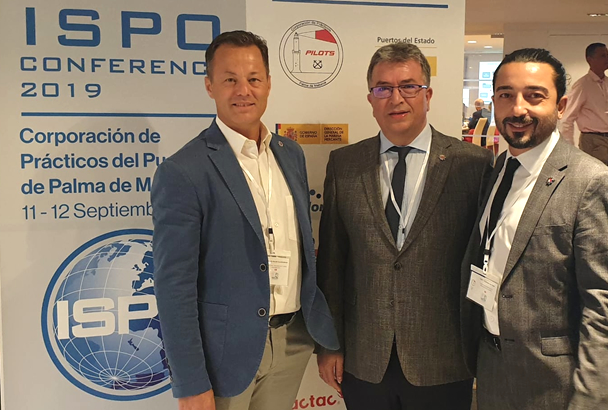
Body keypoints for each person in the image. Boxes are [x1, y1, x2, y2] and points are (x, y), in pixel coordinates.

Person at [151, 30, 339, 410]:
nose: (244, 91)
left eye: (253, 79)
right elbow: (174, 286)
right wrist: (190, 382)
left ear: (268, 83)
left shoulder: (291, 154)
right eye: (230, 80)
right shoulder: (184, 171)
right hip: (224, 355)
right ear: (210, 86)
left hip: (293, 341)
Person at [316, 42, 493, 410]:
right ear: (371, 99)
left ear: (427, 95)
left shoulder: (473, 165)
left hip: (444, 357)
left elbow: (483, 263)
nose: (396, 98)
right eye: (383, 88)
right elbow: (332, 263)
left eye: (409, 86)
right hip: (365, 357)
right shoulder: (344, 164)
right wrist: (329, 344)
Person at [461, 48, 608, 410]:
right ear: (494, 102)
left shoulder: (592, 182)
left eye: (534, 96)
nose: (518, 108)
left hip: (553, 383)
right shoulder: (498, 169)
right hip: (491, 368)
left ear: (561, 105)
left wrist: (592, 401)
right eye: (506, 95)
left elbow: (603, 306)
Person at [560, 42, 608, 168]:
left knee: (607, 177)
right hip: (592, 140)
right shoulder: (583, 85)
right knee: (594, 178)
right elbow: (567, 117)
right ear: (590, 60)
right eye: (603, 56)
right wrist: (569, 148)